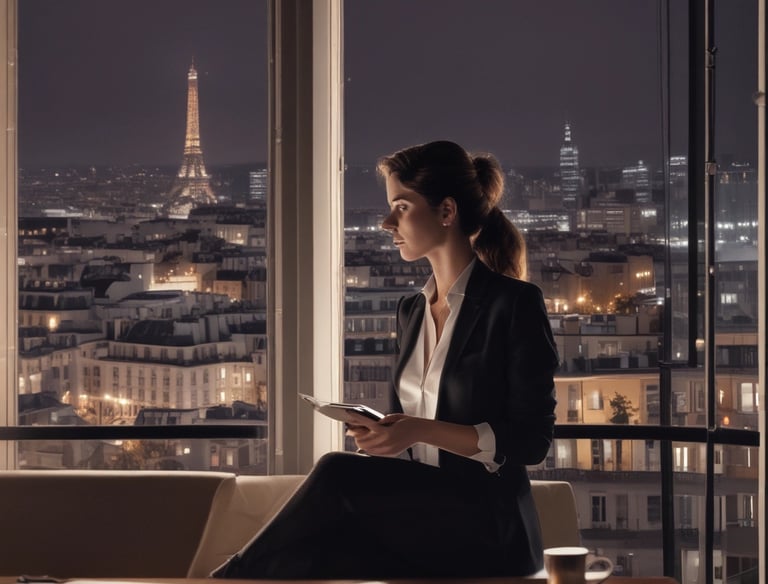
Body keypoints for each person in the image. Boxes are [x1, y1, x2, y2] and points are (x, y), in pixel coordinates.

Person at [211, 140, 559, 579]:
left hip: (488, 525)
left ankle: (223, 581)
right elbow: (410, 439)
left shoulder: (514, 304)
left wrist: (418, 430)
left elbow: (532, 441)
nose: (385, 222)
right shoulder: (410, 311)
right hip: (423, 516)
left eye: (401, 207)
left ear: (446, 212)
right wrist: (385, 436)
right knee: (308, 557)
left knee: (335, 472)